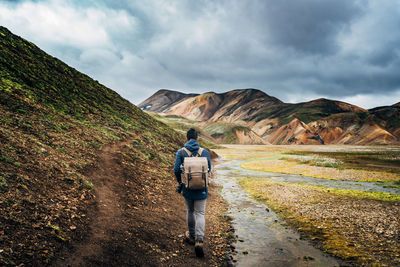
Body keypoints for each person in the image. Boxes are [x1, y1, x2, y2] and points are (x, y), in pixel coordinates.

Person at [174, 128, 211, 258]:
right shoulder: (205, 152)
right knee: (200, 213)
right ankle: (199, 241)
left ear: (186, 139)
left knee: (190, 211)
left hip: (187, 188)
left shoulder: (181, 152)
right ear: (197, 139)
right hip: (202, 188)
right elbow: (209, 169)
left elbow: (176, 170)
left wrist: (180, 183)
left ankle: (191, 235)